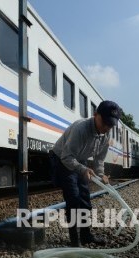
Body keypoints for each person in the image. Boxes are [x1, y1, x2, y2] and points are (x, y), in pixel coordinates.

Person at [49, 100, 122, 247]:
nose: (107, 128)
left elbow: (99, 160)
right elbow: (66, 157)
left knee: (85, 199)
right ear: (96, 115)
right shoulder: (81, 129)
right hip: (62, 158)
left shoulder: (105, 136)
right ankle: (75, 240)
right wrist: (83, 169)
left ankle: (86, 235)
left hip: (79, 159)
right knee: (74, 198)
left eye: (111, 125)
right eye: (105, 122)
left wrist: (101, 174)